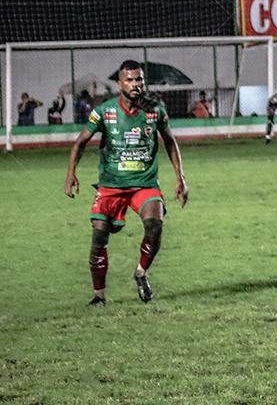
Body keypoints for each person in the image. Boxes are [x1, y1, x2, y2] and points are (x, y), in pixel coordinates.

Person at [63, 60, 188, 306]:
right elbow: (79, 143)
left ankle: (141, 273)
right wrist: (71, 173)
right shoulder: (104, 111)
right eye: (129, 79)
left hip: (144, 183)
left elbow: (170, 142)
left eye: (139, 79)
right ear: (119, 83)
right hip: (111, 185)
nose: (135, 84)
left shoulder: (156, 110)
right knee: (99, 238)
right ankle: (99, 296)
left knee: (155, 224)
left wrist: (180, 178)